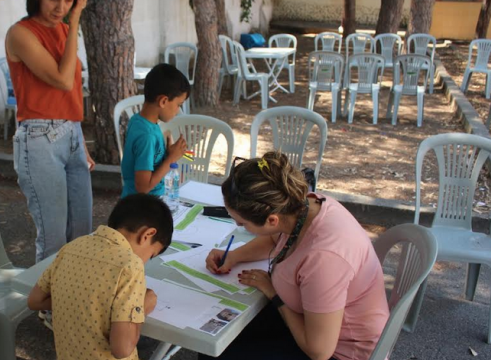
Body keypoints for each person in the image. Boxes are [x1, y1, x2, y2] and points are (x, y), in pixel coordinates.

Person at [203, 152, 390, 360]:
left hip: (341, 351)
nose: (239, 227)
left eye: (242, 224)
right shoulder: (303, 206)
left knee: (220, 353)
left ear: (272, 220)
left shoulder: (324, 258)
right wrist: (235, 256)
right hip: (312, 321)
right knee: (214, 336)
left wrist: (274, 294)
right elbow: (275, 239)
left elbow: (319, 350)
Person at [27, 194, 173, 360]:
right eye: (151, 255)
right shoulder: (130, 265)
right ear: (147, 235)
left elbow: (35, 300)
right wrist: (142, 307)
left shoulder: (72, 247)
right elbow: (122, 349)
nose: (146, 261)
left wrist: (89, 302)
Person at [5, 0, 94, 265]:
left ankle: (74, 302)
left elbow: (74, 89)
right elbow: (63, 80)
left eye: (69, 1)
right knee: (53, 240)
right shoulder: (20, 33)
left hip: (72, 135)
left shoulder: (64, 32)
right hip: (39, 140)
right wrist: (76, 17)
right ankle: (47, 305)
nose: (60, 7)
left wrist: (80, 140)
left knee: (82, 233)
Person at [120, 63, 189, 198]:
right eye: (178, 105)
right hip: (143, 208)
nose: (178, 110)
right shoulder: (147, 136)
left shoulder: (138, 120)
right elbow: (143, 188)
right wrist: (171, 158)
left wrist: (167, 155)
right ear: (163, 101)